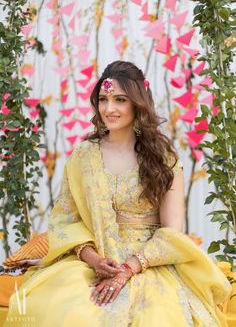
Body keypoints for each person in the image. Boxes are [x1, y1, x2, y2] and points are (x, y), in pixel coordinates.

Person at [4, 61, 231, 327]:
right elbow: (66, 223)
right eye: (103, 99)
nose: (109, 109)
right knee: (54, 310)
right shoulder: (82, 157)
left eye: (120, 100)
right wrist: (96, 260)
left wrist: (127, 270)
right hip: (95, 261)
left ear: (138, 102)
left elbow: (172, 234)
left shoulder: (163, 159)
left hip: (149, 262)